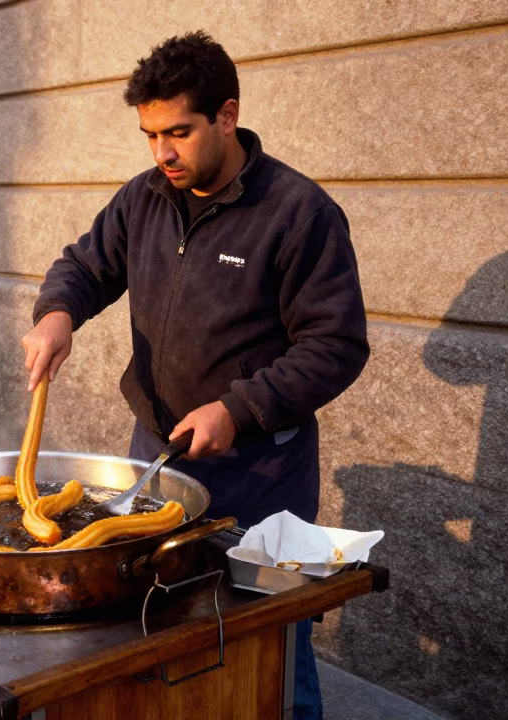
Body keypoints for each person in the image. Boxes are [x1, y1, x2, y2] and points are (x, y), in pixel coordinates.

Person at [20, 32, 369, 719]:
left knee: (272, 644)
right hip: (155, 454)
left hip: (260, 474)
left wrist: (236, 409)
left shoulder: (299, 213)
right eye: (150, 135)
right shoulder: (144, 197)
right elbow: (85, 266)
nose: (162, 153)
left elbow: (336, 345)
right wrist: (58, 311)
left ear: (228, 115)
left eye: (178, 132)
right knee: (157, 630)